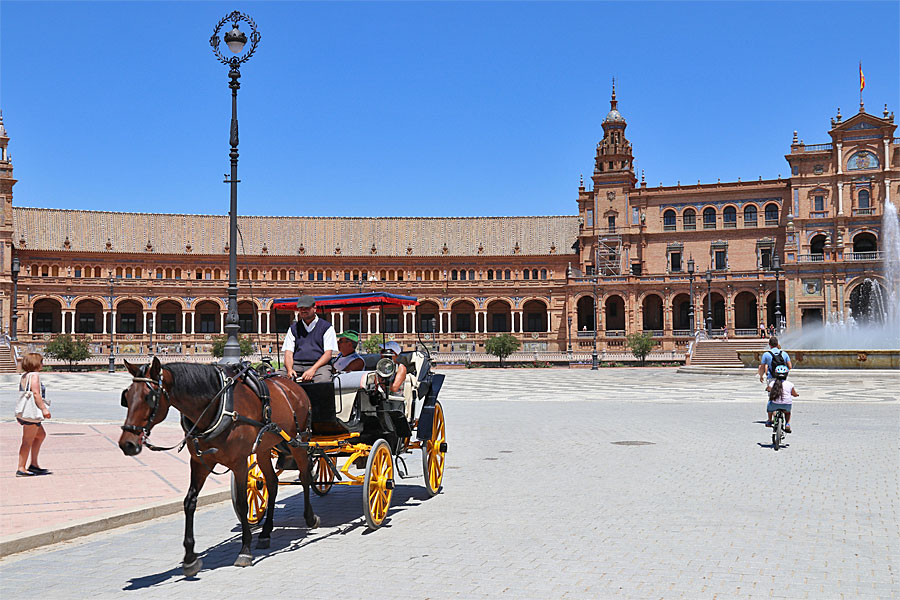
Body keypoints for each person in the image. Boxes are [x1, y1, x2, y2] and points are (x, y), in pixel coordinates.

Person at [282, 295, 337, 383]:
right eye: (301, 308)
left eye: (306, 308)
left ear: (314, 308)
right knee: (276, 379)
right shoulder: (293, 328)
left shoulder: (326, 327)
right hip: (297, 365)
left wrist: (313, 369)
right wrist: (289, 370)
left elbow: (328, 354)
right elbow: (288, 353)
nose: (303, 310)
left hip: (319, 366)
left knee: (323, 381)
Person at [16, 353, 51, 477]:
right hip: (32, 413)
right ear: (35, 363)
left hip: (28, 413)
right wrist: (44, 409)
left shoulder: (25, 375)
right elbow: (36, 394)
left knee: (41, 435)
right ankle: (21, 468)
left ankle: (34, 464)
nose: (42, 364)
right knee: (27, 440)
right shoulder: (34, 375)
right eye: (41, 362)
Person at [767, 364, 798, 432]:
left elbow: (768, 389)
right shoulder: (790, 384)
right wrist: (796, 395)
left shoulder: (773, 383)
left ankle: (769, 421)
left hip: (774, 404)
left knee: (770, 407)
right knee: (787, 413)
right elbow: (794, 393)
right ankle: (787, 424)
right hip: (786, 404)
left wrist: (768, 390)